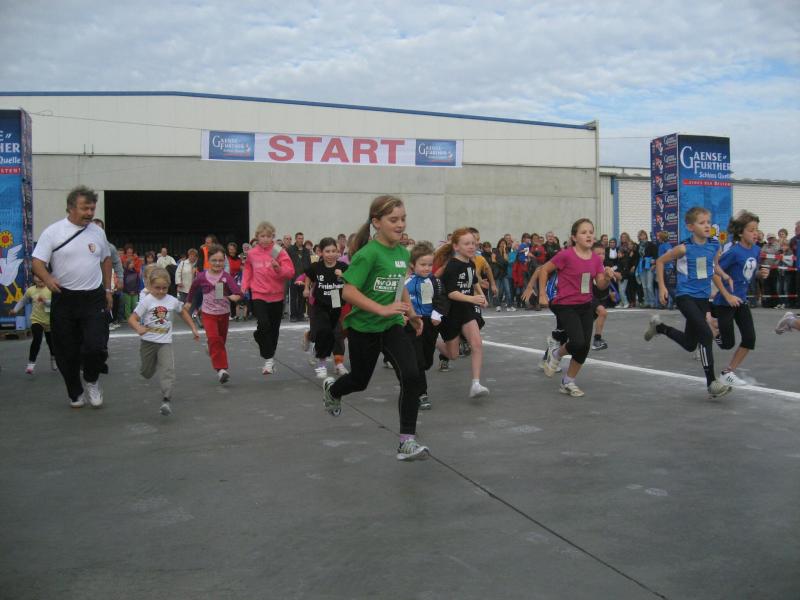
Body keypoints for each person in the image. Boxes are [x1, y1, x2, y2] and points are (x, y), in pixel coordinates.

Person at [321, 195, 429, 461]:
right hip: (364, 328)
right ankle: (333, 391)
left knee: (412, 375)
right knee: (359, 381)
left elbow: (399, 286)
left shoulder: (403, 253)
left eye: (403, 219)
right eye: (394, 220)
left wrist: (411, 313)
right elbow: (348, 291)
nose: (400, 224)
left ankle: (406, 441)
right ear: (377, 222)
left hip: (392, 326)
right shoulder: (368, 254)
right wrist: (381, 309)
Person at [31, 185, 113, 408]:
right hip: (64, 299)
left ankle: (92, 380)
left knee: (96, 346)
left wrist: (107, 290)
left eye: (92, 208)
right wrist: (48, 279)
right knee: (66, 351)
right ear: (70, 208)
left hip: (93, 298)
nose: (89, 213)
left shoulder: (98, 232)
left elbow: (106, 259)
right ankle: (75, 393)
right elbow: (37, 262)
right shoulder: (53, 232)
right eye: (85, 208)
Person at [644, 207, 733, 398]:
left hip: (702, 298)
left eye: (708, 222)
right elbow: (660, 261)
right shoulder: (683, 248)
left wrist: (724, 275)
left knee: (690, 344)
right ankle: (712, 383)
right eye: (702, 223)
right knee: (706, 333)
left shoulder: (714, 245)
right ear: (691, 227)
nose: (707, 226)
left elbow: (713, 266)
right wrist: (663, 287)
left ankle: (659, 328)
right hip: (685, 296)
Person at [532, 219, 614, 397]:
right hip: (565, 305)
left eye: (591, 232)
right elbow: (544, 270)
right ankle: (556, 353)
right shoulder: (566, 255)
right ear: (574, 237)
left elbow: (600, 284)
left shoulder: (595, 259)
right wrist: (542, 294)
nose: (589, 235)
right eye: (584, 232)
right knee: (577, 342)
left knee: (584, 348)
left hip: (585, 305)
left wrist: (607, 277)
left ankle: (568, 382)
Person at [128, 267, 199, 415]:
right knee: (146, 372)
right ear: (150, 285)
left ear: (168, 286)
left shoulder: (172, 301)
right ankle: (152, 365)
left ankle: (166, 399)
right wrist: (138, 327)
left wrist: (193, 328)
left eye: (164, 288)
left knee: (168, 370)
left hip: (165, 342)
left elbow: (183, 313)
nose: (161, 291)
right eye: (157, 288)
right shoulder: (146, 301)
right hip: (148, 342)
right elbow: (132, 319)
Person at [711, 211, 770, 386]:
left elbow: (749, 273)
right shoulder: (733, 252)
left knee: (749, 339)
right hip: (725, 302)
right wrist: (727, 295)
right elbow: (715, 272)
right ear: (740, 232)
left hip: (741, 301)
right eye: (751, 230)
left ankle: (728, 372)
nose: (755, 233)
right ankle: (712, 327)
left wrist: (760, 274)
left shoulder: (756, 250)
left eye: (756, 229)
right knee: (727, 344)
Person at [434, 228, 490, 398]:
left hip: (466, 310)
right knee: (453, 355)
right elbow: (452, 293)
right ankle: (434, 342)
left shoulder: (470, 264)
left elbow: (474, 282)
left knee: (477, 344)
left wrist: (481, 296)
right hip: (450, 312)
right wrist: (473, 299)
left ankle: (476, 384)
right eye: (467, 244)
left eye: (473, 243)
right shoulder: (452, 266)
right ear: (456, 246)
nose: (471, 246)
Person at [241, 222, 294, 375]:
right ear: (257, 237)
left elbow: (290, 272)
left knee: (274, 329)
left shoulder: (279, 251)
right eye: (262, 236)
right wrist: (244, 285)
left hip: (276, 295)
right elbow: (248, 269)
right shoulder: (252, 253)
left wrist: (278, 268)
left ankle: (268, 356)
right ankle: (269, 359)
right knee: (264, 324)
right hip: (258, 294)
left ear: (273, 237)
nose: (265, 239)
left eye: (268, 236)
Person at [185, 244, 242, 384]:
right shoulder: (202, 276)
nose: (217, 263)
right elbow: (193, 288)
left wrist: (235, 297)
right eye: (214, 260)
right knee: (215, 339)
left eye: (220, 260)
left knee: (220, 341)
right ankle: (221, 370)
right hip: (208, 314)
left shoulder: (226, 277)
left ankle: (210, 346)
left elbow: (238, 292)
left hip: (224, 314)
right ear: (208, 260)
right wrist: (189, 302)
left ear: (224, 261)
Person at [405, 242, 447, 410]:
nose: (427, 268)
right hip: (412, 324)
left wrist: (437, 313)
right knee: (417, 360)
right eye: (422, 264)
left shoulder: (435, 281)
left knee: (427, 361)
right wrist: (403, 314)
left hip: (430, 324)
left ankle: (416, 380)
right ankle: (421, 393)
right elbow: (396, 299)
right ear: (412, 265)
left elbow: (442, 299)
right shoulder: (405, 282)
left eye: (430, 264)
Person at [303, 237, 348, 379]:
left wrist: (343, 276)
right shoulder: (316, 267)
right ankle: (321, 364)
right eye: (327, 251)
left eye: (334, 251)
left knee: (337, 333)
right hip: (320, 303)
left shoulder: (343, 266)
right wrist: (306, 288)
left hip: (335, 300)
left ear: (338, 252)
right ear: (320, 252)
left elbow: (353, 280)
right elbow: (308, 276)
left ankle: (339, 363)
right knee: (323, 332)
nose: (331, 254)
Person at [9, 275, 56, 374]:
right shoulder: (31, 290)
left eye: (41, 276)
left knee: (51, 343)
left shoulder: (51, 289)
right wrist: (15, 310)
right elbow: (23, 301)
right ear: (34, 278)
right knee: (37, 339)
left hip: (50, 321)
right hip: (36, 320)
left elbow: (57, 304)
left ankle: (53, 358)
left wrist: (46, 301)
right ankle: (31, 363)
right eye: (37, 276)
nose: (39, 278)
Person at [590, 242, 622, 350]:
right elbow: (600, 285)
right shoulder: (590, 267)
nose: (601, 256)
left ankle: (559, 341)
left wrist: (612, 273)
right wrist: (607, 276)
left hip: (600, 299)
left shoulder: (606, 265)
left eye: (603, 254)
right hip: (590, 298)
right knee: (602, 313)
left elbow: (620, 276)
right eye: (598, 254)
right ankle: (597, 340)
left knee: (584, 325)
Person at [286, 232, 312, 321]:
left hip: (304, 277)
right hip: (293, 277)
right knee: (293, 297)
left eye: (302, 238)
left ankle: (301, 315)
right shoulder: (290, 249)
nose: (301, 240)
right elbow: (287, 262)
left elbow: (309, 264)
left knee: (302, 297)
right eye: (299, 238)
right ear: (296, 239)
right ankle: (293, 315)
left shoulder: (306, 251)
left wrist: (308, 275)